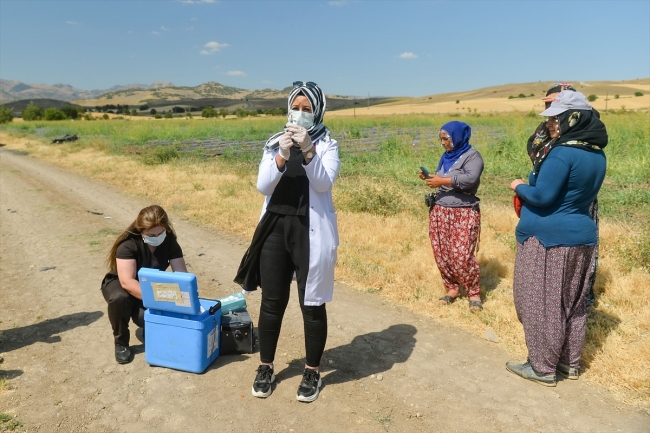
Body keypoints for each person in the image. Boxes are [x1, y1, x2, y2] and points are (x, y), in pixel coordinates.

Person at [234, 81, 339, 402]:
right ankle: (265, 366)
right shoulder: (272, 144)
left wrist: (308, 149)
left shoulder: (327, 145)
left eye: (307, 109)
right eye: (296, 107)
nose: (300, 114)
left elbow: (322, 183)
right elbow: (263, 186)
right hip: (275, 230)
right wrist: (282, 153)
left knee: (312, 303)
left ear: (318, 111)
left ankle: (311, 371)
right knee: (271, 302)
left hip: (310, 230)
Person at [507, 91, 607, 386]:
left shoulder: (562, 153)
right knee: (572, 303)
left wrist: (519, 185)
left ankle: (542, 367)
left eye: (555, 116)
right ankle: (569, 364)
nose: (550, 121)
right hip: (582, 236)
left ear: (571, 118)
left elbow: (542, 196)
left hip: (548, 238)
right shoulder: (595, 153)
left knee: (539, 302)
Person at [526, 82, 599, 308]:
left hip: (572, 199)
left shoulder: (582, 129)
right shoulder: (545, 129)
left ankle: (577, 298)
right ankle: (552, 302)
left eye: (556, 103)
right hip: (546, 192)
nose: (551, 108)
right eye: (548, 103)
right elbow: (537, 153)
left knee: (574, 255)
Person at [100, 205, 187, 364]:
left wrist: (185, 297)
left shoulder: (170, 242)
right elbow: (127, 281)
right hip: (121, 284)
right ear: (142, 232)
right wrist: (158, 300)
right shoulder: (128, 245)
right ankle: (121, 343)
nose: (158, 237)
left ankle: (152, 331)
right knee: (120, 299)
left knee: (143, 317)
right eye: (152, 235)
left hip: (149, 285)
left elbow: (182, 275)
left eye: (161, 233)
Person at [418, 121, 484, 312]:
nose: (443, 143)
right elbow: (442, 178)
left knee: (462, 254)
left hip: (463, 211)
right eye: (441, 139)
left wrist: (442, 181)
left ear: (457, 137)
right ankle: (452, 288)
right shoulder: (446, 157)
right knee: (443, 254)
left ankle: (473, 292)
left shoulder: (473, 156)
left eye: (446, 138)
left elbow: (469, 179)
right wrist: (431, 178)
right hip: (440, 210)